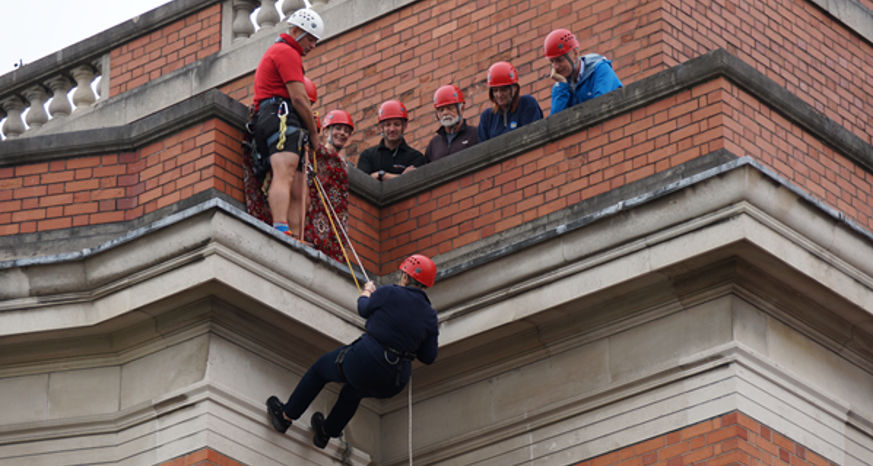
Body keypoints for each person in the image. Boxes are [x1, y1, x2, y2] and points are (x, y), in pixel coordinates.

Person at [266, 254, 440, 449]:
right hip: (393, 381)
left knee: (320, 370)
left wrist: (366, 293)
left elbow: (363, 309)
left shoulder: (390, 292)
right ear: (426, 286)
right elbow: (428, 356)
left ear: (406, 277)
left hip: (366, 360)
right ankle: (326, 432)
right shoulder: (430, 316)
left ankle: (286, 416)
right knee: (353, 392)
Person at [251, 6, 322, 240]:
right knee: (285, 171)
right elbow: (299, 98)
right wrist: (314, 133)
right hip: (279, 114)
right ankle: (281, 226)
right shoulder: (286, 52)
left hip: (281, 115)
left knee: (299, 185)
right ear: (296, 32)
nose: (312, 46)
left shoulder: (283, 52)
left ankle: (296, 237)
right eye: (310, 39)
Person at [305, 110, 355, 262]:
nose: (342, 133)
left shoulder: (345, 165)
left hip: (335, 223)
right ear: (326, 131)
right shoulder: (316, 152)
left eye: (346, 131)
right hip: (315, 215)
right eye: (338, 128)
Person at [545, 28, 623, 115]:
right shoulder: (561, 87)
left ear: (575, 54)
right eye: (552, 62)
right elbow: (555, 120)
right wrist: (562, 85)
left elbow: (601, 108)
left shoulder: (599, 69)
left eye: (559, 60)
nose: (555, 67)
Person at [356, 100, 427, 181]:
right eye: (388, 125)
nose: (392, 129)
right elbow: (362, 182)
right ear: (381, 127)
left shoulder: (415, 157)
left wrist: (379, 175)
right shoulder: (368, 156)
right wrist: (401, 177)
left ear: (404, 126)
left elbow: (414, 182)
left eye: (397, 124)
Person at [478, 61, 543, 142]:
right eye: (495, 90)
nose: (499, 95)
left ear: (514, 89)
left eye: (503, 90)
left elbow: (534, 135)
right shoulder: (487, 117)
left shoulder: (527, 104)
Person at [424, 84, 479, 162]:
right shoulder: (433, 145)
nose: (445, 113)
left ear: (461, 109)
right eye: (441, 110)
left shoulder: (475, 134)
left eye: (450, 108)